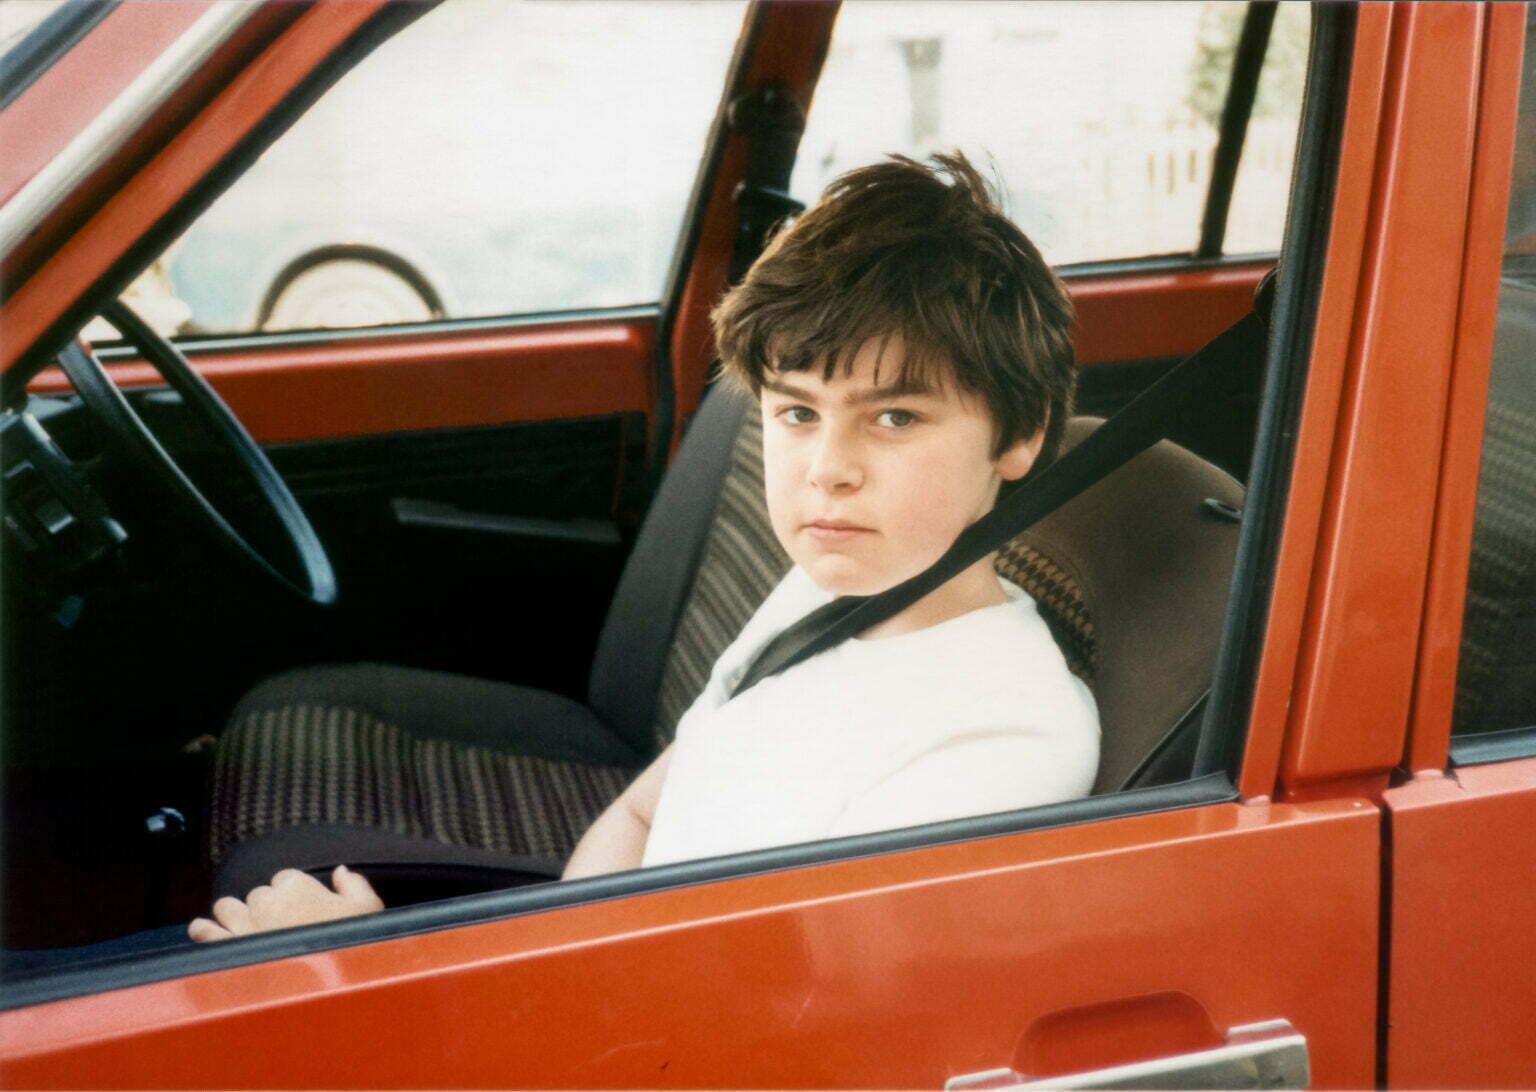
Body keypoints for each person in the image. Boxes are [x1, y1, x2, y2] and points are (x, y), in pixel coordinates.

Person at [188, 151, 1100, 942]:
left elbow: (751, 1039)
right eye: (795, 412)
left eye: (894, 417)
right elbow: (639, 811)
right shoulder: (833, 587)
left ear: (1021, 435)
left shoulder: (1001, 744)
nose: (828, 470)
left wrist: (365, 977)